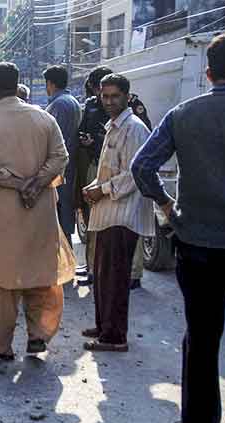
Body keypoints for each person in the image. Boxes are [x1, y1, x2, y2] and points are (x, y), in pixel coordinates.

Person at [131, 31, 225, 423]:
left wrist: (168, 208)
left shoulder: (183, 114)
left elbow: (142, 167)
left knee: (202, 333)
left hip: (197, 242)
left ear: (210, 72)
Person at [0, 62, 75, 360]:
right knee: (40, 274)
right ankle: (38, 336)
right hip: (40, 210)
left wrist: (15, 183)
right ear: (17, 85)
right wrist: (36, 184)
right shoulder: (44, 118)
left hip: (1, 212)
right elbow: (60, 157)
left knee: (0, 281)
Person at [80, 73, 154, 353]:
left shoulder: (133, 127)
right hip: (108, 212)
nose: (109, 101)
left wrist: (103, 190)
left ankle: (114, 336)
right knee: (102, 274)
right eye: (105, 96)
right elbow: (109, 169)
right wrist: (94, 186)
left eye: (115, 96)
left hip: (123, 213)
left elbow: (134, 174)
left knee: (115, 277)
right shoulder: (114, 125)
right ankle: (104, 326)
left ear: (126, 96)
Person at [76, 66, 114, 285]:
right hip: (95, 167)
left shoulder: (130, 109)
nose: (107, 100)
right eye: (102, 93)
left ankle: (132, 274)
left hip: (118, 171)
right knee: (93, 221)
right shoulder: (90, 106)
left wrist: (97, 142)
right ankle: (92, 269)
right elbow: (82, 132)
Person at [43, 65, 83, 240]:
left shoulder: (58, 104)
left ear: (50, 83)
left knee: (58, 213)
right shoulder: (72, 101)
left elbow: (53, 140)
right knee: (64, 211)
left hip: (59, 168)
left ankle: (63, 261)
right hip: (69, 164)